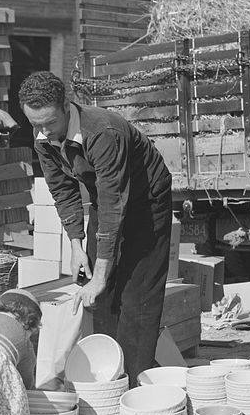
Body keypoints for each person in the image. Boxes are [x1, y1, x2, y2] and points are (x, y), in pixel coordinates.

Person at [19, 71, 174, 388]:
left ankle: (133, 385)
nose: (44, 131)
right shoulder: (43, 137)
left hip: (146, 201)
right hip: (108, 199)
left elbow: (114, 202)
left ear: (66, 106)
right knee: (98, 295)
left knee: (135, 295)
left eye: (50, 122)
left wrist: (102, 275)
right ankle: (109, 372)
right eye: (36, 125)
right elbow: (63, 191)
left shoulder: (103, 131)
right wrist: (77, 246)